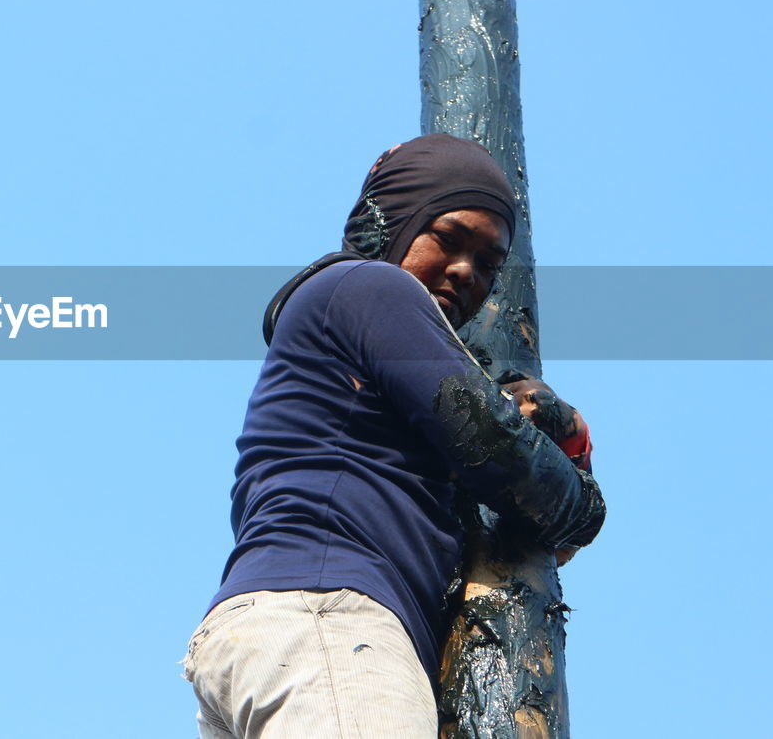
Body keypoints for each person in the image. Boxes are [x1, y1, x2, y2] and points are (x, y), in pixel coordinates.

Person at [181, 133, 605, 739]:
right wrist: (574, 471)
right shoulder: (372, 288)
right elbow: (503, 457)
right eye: (449, 239)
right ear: (393, 222)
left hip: (285, 631)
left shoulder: (360, 338)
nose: (466, 272)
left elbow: (537, 530)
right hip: (328, 618)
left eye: (489, 263)